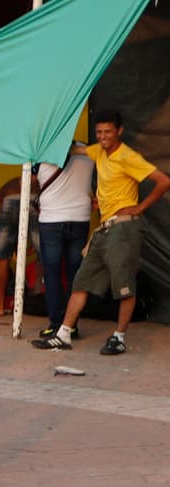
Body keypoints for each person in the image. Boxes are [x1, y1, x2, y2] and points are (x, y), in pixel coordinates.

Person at [33, 110, 170, 355]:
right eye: (99, 132)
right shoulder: (99, 151)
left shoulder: (128, 156)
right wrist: (45, 142)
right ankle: (63, 333)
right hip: (104, 228)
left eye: (108, 131)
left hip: (124, 227)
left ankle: (119, 337)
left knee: (124, 286)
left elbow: (163, 180)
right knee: (81, 281)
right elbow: (77, 151)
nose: (103, 136)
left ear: (119, 131)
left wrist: (140, 207)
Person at [34, 141, 94, 339]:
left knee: (51, 275)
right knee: (75, 275)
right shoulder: (89, 152)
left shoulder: (41, 150)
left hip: (51, 219)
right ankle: (71, 325)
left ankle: (56, 323)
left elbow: (31, 181)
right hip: (80, 218)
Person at [0, 175, 40, 316]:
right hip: (34, 198)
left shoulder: (10, 183)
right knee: (44, 255)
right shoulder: (41, 180)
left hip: (7, 200)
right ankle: (39, 298)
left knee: (2, 257)